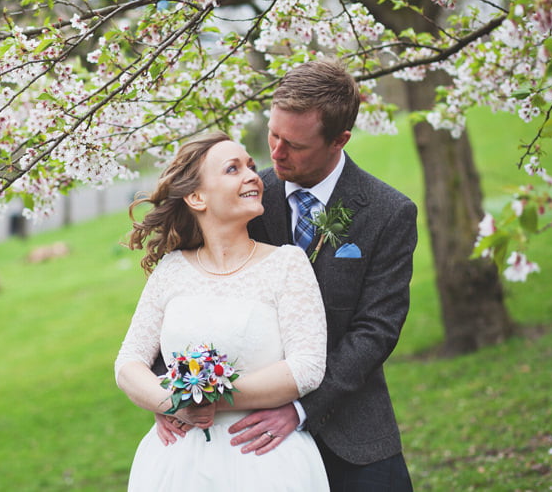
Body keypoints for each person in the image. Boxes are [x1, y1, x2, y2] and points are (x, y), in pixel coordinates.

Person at [157, 60, 418, 491]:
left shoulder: (389, 213)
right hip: (240, 443)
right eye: (273, 135)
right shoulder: (241, 197)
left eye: (294, 144)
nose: (275, 153)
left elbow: (376, 330)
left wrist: (300, 408)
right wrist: (167, 392)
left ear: (339, 141)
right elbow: (182, 291)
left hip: (352, 429)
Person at [114, 131, 330, 491]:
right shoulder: (171, 270)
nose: (253, 176)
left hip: (264, 459)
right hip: (176, 464)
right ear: (197, 197)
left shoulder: (286, 264)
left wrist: (209, 398)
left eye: (250, 165)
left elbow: (307, 366)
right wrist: (173, 403)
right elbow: (128, 363)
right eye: (233, 169)